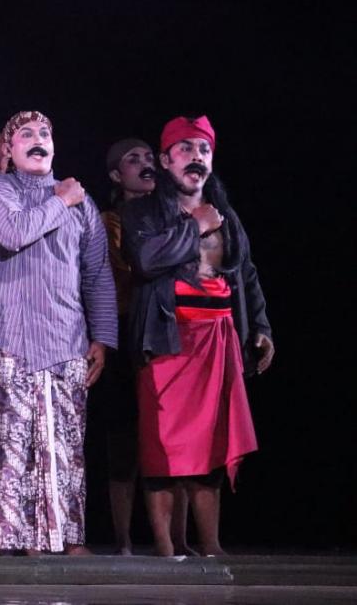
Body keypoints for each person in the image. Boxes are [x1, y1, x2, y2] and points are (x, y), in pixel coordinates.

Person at [124, 115, 273, 558]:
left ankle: (211, 545)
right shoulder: (143, 211)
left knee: (212, 441)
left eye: (203, 150)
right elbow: (147, 259)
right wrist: (196, 226)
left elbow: (245, 273)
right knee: (163, 444)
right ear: (165, 160)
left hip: (218, 339)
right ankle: (166, 549)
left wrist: (261, 327)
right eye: (185, 149)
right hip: (168, 339)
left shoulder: (225, 214)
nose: (196, 158)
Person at [0, 111, 116, 557]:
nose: (38, 140)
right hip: (10, 337)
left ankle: (67, 539)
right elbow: (13, 232)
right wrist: (60, 200)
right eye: (26, 135)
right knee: (5, 443)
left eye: (45, 134)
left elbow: (97, 274)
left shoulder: (83, 204)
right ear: (9, 150)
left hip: (66, 339)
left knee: (64, 447)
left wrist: (103, 337)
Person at [98, 137, 189, 556]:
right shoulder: (110, 221)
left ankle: (179, 539)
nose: (145, 164)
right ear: (117, 176)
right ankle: (123, 541)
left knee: (175, 435)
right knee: (124, 438)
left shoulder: (174, 213)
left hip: (167, 330)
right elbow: (131, 269)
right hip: (124, 330)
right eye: (132, 160)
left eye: (150, 157)